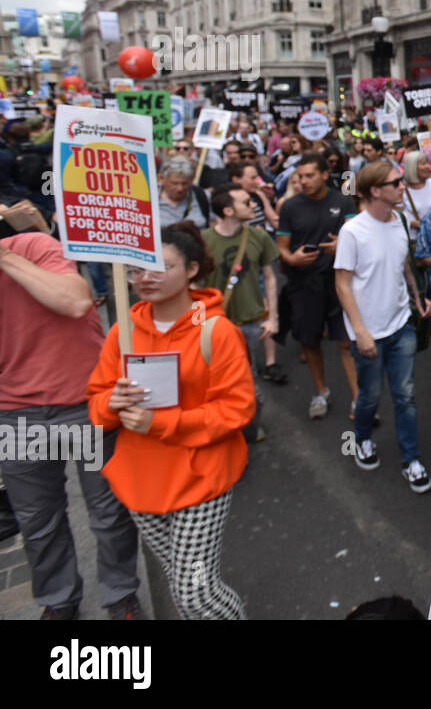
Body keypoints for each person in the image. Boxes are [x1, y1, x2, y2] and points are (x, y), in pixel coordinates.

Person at [86, 222, 255, 619]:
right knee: (184, 585)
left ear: (192, 270)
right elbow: (96, 408)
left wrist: (163, 423)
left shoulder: (217, 331)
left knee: (194, 594)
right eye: (138, 269)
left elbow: (237, 408)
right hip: (141, 482)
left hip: (201, 478)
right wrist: (112, 403)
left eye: (160, 267)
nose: (145, 278)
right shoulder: (121, 332)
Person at [0, 230, 141, 620]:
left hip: (84, 403)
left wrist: (4, 259)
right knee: (37, 521)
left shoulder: (31, 246)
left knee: (109, 513)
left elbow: (77, 302)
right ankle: (59, 599)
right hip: (15, 414)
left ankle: (120, 594)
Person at [335, 162, 431, 492]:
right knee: (370, 396)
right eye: (396, 182)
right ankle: (361, 438)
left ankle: (412, 460)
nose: (403, 187)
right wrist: (360, 332)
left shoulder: (399, 222)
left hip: (401, 325)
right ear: (376, 191)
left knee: (405, 395)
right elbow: (343, 284)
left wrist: (417, 300)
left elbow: (404, 264)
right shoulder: (353, 231)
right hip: (369, 333)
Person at [276, 152, 360, 420]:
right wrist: (294, 259)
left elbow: (355, 236)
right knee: (310, 342)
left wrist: (341, 246)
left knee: (345, 343)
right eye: (301, 176)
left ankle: (360, 400)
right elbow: (283, 251)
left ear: (325, 174)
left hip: (337, 283)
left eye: (310, 175)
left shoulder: (343, 200)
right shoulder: (289, 207)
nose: (304, 181)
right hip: (304, 286)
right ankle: (321, 392)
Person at [202, 186, 283, 429]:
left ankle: (247, 427)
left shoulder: (258, 237)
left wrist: (273, 318)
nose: (253, 206)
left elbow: (270, 277)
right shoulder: (204, 241)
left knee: (249, 381)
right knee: (216, 382)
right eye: (246, 203)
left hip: (250, 322)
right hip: (215, 325)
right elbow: (194, 285)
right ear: (227, 210)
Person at [157, 157, 209, 228]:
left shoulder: (201, 196)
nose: (180, 189)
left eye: (184, 183)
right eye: (174, 183)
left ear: (191, 180)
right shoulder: (149, 197)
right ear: (161, 179)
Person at [399, 150, 431, 235]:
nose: (428, 167)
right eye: (423, 164)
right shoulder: (402, 189)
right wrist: (414, 223)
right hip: (413, 238)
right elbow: (397, 216)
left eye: (427, 163)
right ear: (412, 167)